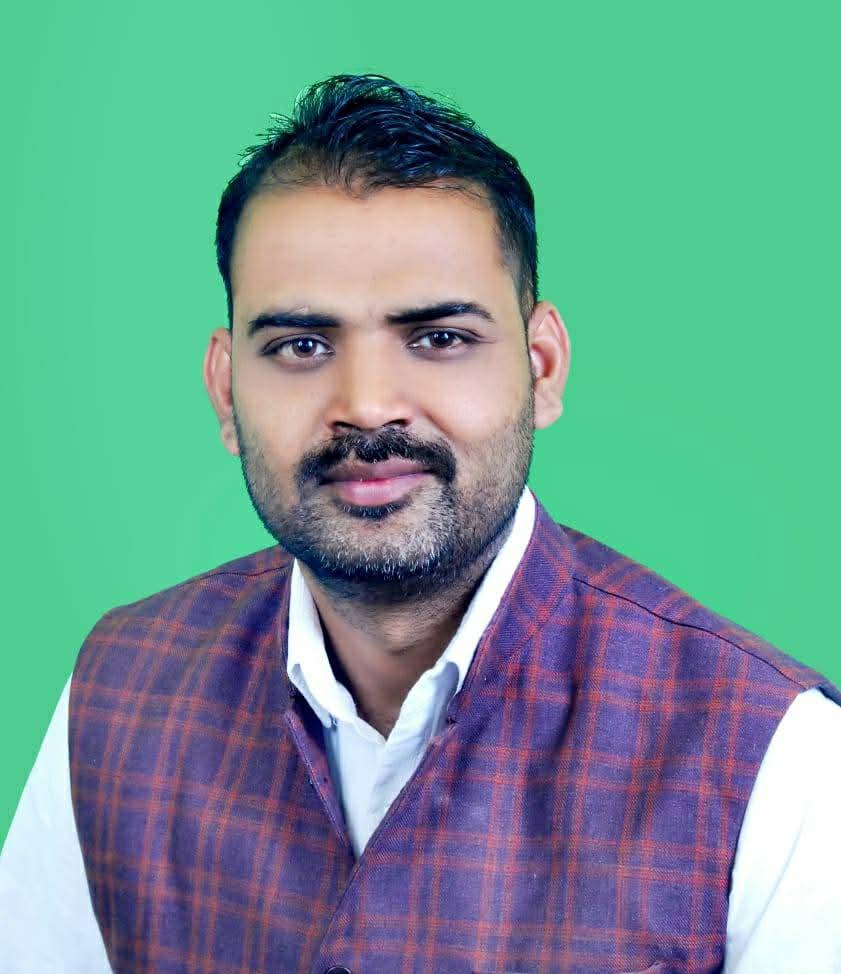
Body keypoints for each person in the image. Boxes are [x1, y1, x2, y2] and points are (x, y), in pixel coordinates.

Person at [1, 73, 839, 974]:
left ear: (541, 367)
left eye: (439, 338)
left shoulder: (770, 753)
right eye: (300, 346)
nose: (366, 406)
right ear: (224, 387)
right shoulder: (118, 689)